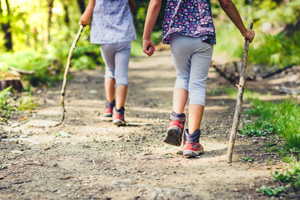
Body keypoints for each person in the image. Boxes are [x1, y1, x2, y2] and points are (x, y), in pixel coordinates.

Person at [143, 0, 255, 157]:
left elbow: (155, 3)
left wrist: (146, 37)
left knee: (182, 77)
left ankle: (176, 121)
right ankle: (192, 142)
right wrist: (243, 30)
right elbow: (226, 3)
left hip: (178, 35)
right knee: (197, 85)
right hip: (203, 35)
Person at [80, 0, 137, 126]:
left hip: (105, 37)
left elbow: (87, 14)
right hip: (123, 37)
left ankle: (108, 107)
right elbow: (133, 8)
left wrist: (83, 20)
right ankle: (119, 112)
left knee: (110, 70)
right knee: (121, 76)